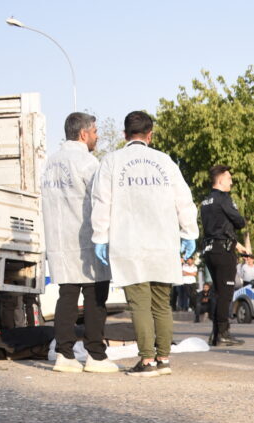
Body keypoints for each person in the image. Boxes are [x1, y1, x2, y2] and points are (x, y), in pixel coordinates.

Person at [91, 110, 198, 376]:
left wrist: (100, 237)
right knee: (162, 304)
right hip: (163, 243)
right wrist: (189, 233)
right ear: (150, 135)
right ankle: (163, 359)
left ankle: (147, 361)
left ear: (124, 134)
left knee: (139, 304)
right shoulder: (165, 162)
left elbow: (102, 201)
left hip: (129, 244)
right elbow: (183, 200)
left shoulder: (112, 161)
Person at [41, 112, 117, 374]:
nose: (97, 136)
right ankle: (96, 355)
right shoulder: (88, 163)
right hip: (86, 240)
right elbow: (102, 200)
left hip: (60, 241)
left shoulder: (51, 163)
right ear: (83, 134)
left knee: (67, 297)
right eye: (95, 131)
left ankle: (65, 354)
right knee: (95, 298)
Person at [200, 165, 247, 347]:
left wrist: (238, 245)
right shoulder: (223, 199)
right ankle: (223, 334)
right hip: (223, 251)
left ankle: (215, 333)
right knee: (226, 294)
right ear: (220, 180)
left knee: (217, 293)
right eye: (229, 178)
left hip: (210, 250)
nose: (231, 182)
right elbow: (239, 221)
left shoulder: (205, 202)